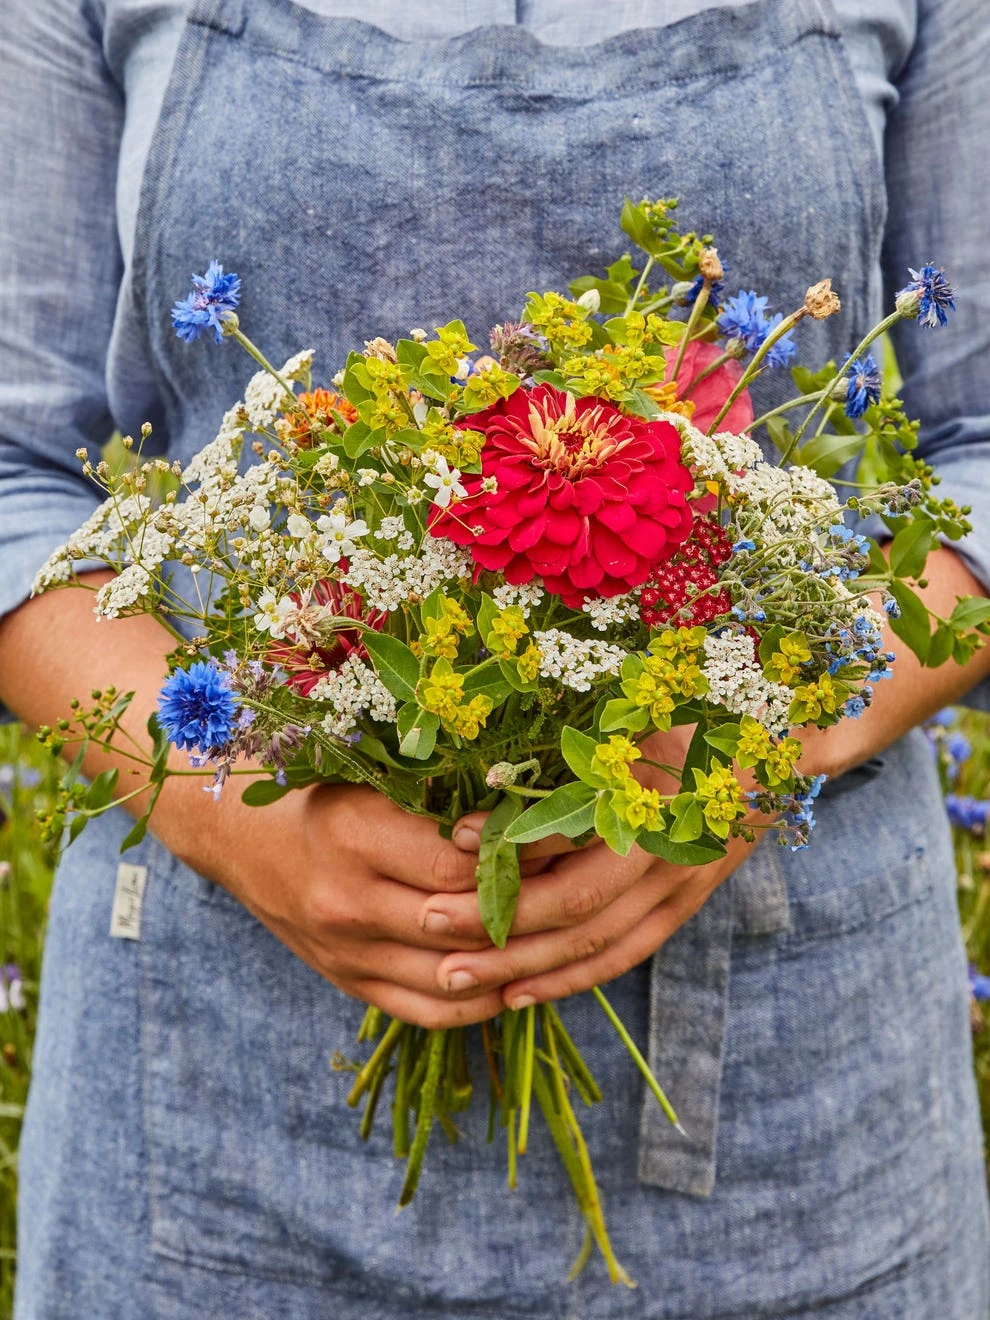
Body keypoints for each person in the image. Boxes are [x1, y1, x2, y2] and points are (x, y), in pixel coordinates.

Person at [2, 0, 989, 1315]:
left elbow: (976, 446)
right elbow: (18, 465)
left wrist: (742, 742)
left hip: (794, 1110)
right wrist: (234, 805)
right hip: (214, 1114)